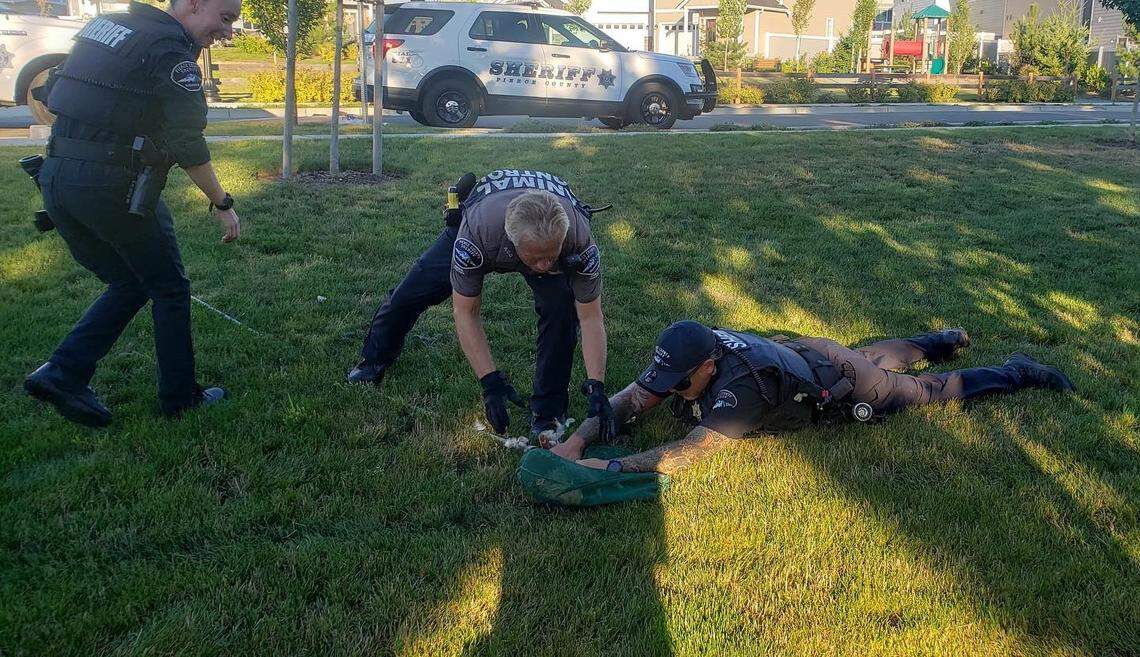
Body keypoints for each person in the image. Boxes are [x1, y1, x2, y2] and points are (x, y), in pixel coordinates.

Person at [23, 0, 243, 427]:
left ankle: (62, 373)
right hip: (112, 185)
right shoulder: (170, 51)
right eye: (225, 18)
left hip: (57, 177)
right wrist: (222, 203)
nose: (228, 31)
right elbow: (187, 142)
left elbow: (58, 93)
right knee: (169, 288)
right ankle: (181, 398)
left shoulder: (108, 26)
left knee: (129, 281)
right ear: (194, 4)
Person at [551, 321, 1075, 474]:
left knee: (928, 391)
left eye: (679, 384)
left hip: (844, 384)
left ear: (708, 367)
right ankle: (942, 339)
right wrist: (578, 441)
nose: (667, 392)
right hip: (811, 353)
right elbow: (633, 398)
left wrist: (612, 467)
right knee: (870, 355)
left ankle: (1016, 371)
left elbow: (690, 453)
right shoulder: (694, 345)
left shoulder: (740, 390)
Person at [347, 169, 617, 440]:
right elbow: (466, 311)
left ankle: (548, 411)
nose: (545, 265)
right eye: (536, 258)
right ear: (512, 242)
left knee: (561, 313)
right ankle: (374, 360)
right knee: (410, 293)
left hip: (543, 234)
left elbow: (591, 317)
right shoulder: (477, 233)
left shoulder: (579, 241)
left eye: (551, 256)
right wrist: (490, 382)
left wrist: (597, 386)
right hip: (486, 223)